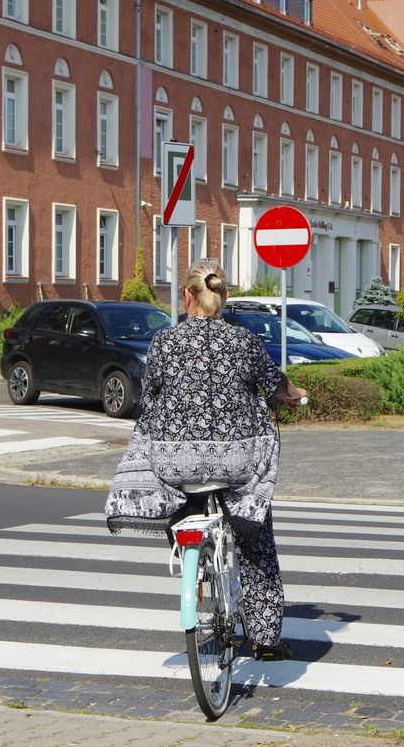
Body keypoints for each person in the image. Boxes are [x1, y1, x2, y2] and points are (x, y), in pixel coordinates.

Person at [105, 260, 306, 661]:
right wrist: (297, 395)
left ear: (187, 296)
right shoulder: (244, 342)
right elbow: (276, 385)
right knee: (254, 533)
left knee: (178, 499)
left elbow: (151, 397)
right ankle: (265, 640)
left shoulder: (164, 341)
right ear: (225, 297)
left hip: (175, 462)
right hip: (236, 462)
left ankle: (190, 560)